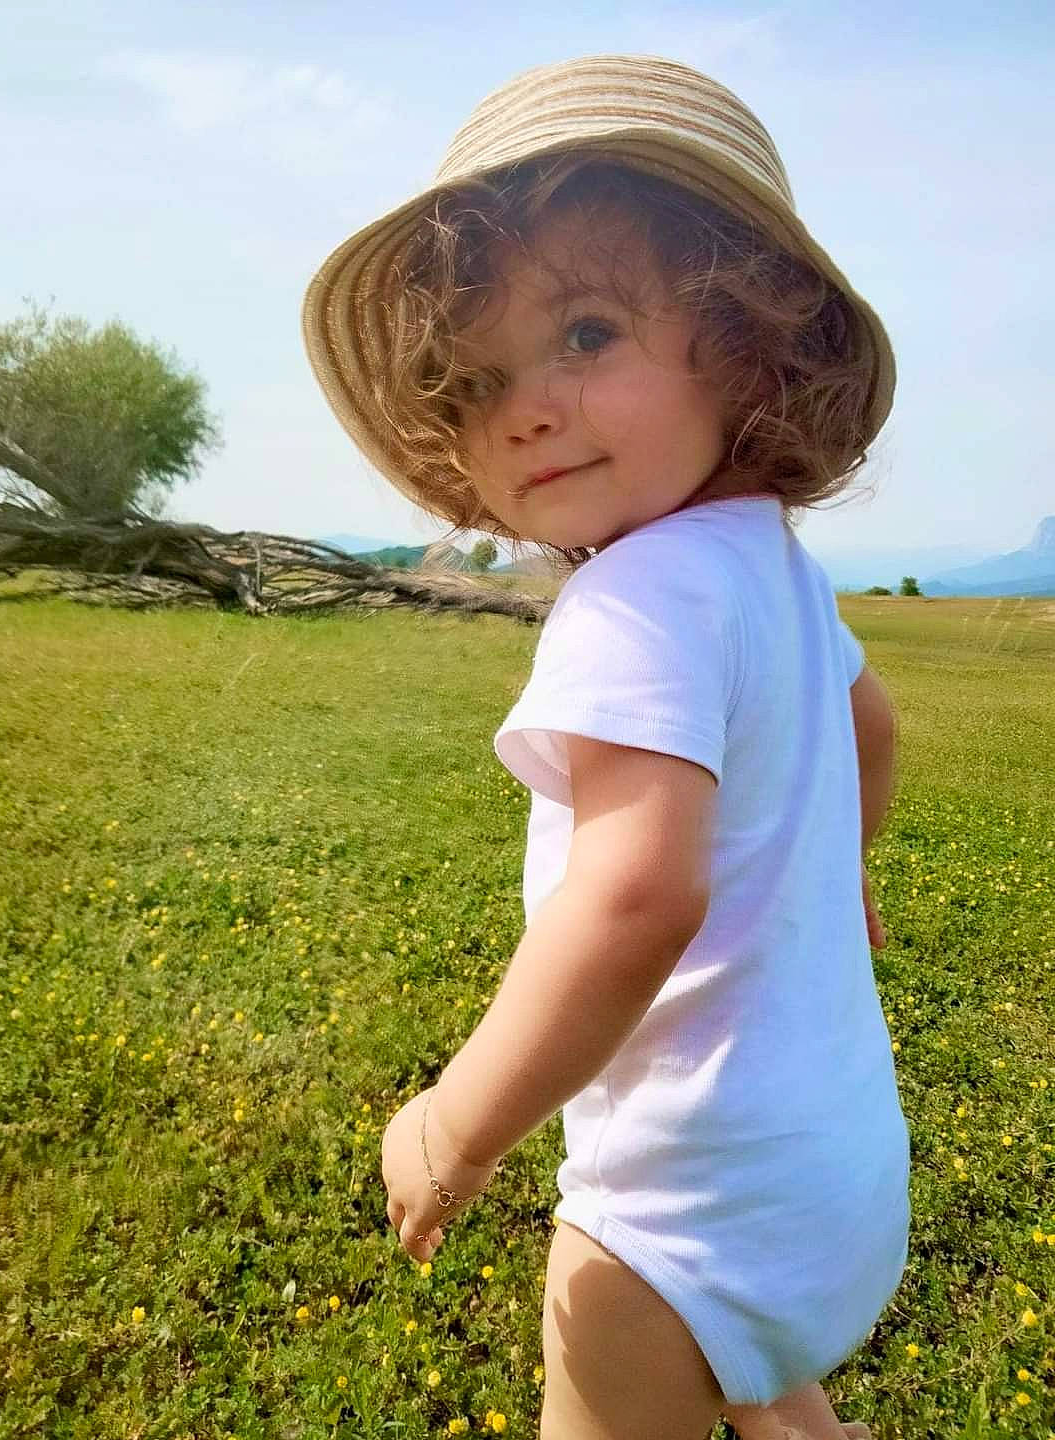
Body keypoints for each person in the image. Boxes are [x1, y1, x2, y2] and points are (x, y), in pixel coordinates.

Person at [302, 54, 909, 1440]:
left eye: (584, 334)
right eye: (477, 379)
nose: (520, 407)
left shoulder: (631, 596)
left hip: (680, 1215)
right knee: (763, 1389)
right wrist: (837, 873)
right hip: (838, 1186)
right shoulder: (774, 567)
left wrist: (455, 1129)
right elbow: (870, 735)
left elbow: (634, 897)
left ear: (753, 345)